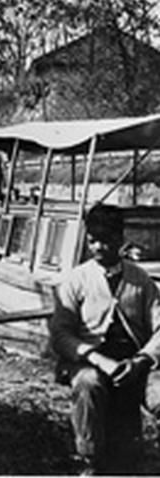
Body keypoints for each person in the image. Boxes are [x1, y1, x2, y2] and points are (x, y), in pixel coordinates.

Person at [50, 203, 160, 475]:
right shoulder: (76, 280)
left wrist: (143, 360)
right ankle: (89, 459)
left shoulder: (141, 280)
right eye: (92, 241)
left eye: (106, 241)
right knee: (88, 384)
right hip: (90, 362)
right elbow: (61, 334)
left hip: (136, 363)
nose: (98, 247)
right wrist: (95, 357)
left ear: (121, 241)